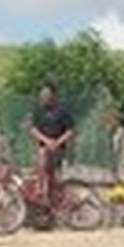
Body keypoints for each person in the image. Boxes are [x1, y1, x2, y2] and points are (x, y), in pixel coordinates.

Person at [29, 82, 74, 213]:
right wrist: (46, 141)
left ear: (54, 96)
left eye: (46, 95)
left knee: (44, 158)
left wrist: (57, 142)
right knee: (41, 164)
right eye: (42, 95)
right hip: (43, 147)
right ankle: (44, 197)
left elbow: (70, 131)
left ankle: (41, 191)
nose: (43, 97)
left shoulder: (62, 111)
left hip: (58, 149)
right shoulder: (38, 111)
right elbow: (33, 130)